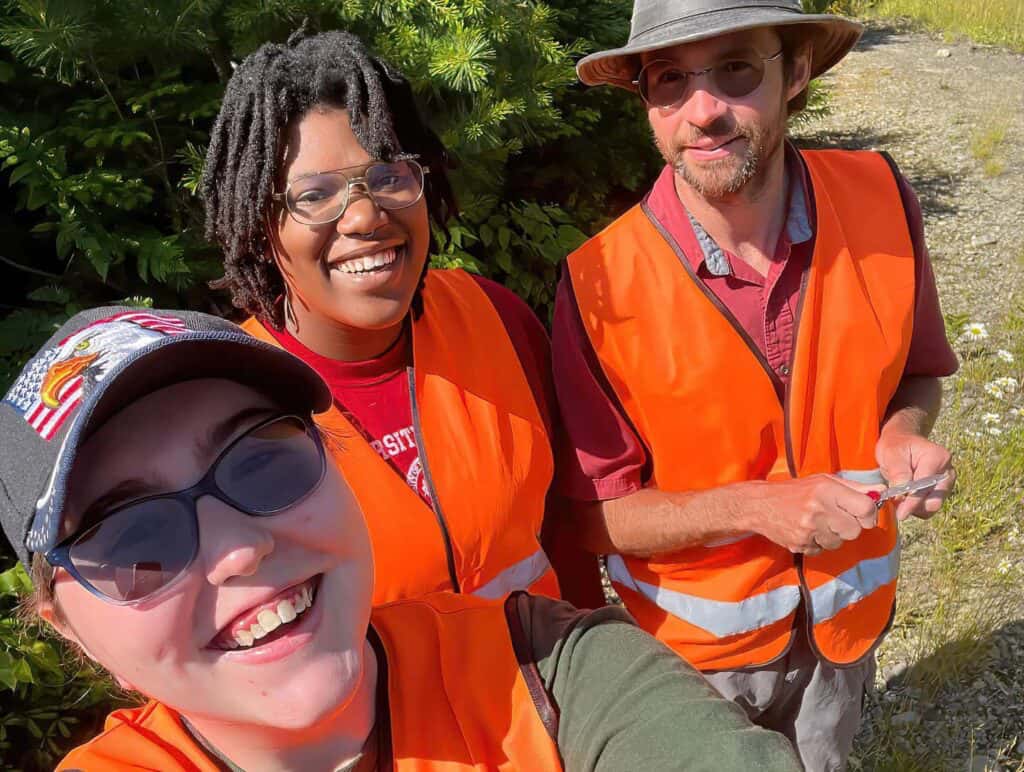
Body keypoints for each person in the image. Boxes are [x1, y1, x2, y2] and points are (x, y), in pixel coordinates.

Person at [0, 307, 802, 771]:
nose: (239, 549)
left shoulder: (550, 671)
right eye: (138, 539)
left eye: (261, 461)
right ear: (66, 629)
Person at [554, 1, 959, 768]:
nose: (703, 111)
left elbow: (918, 372)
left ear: (796, 71)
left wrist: (904, 432)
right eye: (670, 79)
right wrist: (755, 508)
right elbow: (593, 520)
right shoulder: (597, 283)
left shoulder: (877, 199)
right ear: (646, 103)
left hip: (846, 633)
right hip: (695, 666)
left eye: (736, 68)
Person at [201, 28, 602, 609]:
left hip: (551, 691)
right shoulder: (226, 406)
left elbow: (564, 531)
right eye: (314, 195)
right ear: (260, 229)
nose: (365, 215)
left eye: (389, 176)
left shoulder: (495, 318)